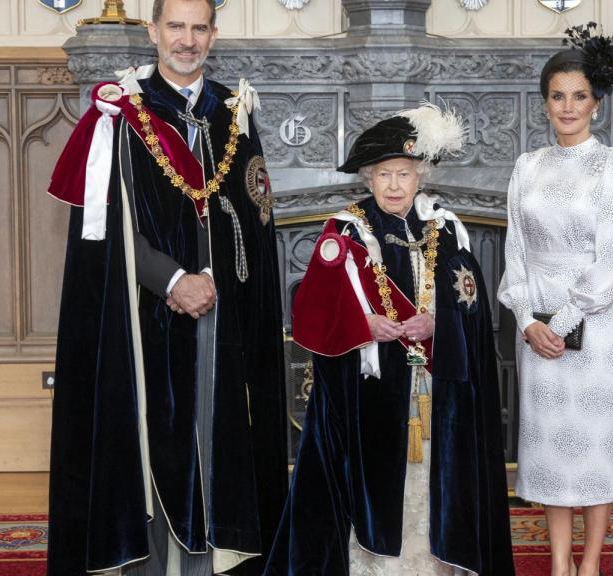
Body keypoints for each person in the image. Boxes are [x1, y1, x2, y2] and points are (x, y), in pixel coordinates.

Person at [44, 0, 287, 574]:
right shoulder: (121, 115)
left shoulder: (234, 113)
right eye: (175, 27)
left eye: (198, 28)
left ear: (213, 34)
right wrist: (175, 280)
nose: (187, 40)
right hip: (143, 320)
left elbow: (253, 218)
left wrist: (217, 283)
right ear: (152, 31)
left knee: (219, 440)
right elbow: (102, 233)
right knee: (154, 444)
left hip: (221, 319)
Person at [263, 104, 515, 575]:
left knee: (429, 486)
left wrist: (439, 323)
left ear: (420, 176)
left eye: (404, 173)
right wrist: (364, 326)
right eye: (384, 174)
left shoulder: (447, 228)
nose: (395, 185)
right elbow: (311, 313)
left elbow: (473, 305)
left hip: (434, 393)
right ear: (368, 178)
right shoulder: (345, 232)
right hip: (366, 396)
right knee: (376, 487)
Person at [498, 23, 613, 576]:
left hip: (593, 327)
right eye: (558, 96)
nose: (568, 106)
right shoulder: (526, 166)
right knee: (551, 452)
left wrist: (566, 318)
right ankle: (559, 565)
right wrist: (528, 319)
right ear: (545, 102)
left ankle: (591, 565)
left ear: (596, 103)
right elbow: (514, 249)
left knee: (595, 450)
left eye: (579, 96)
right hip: (536, 328)